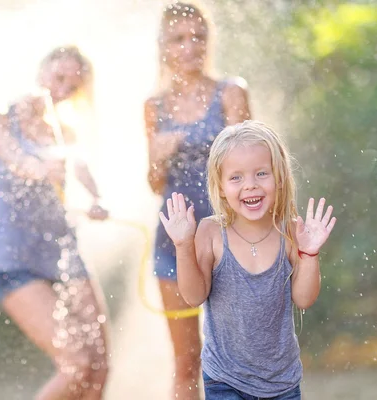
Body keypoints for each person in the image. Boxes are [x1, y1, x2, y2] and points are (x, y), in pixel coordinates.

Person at [159, 120, 337, 399]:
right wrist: (183, 245)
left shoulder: (290, 232)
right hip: (225, 379)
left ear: (279, 177)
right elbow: (194, 296)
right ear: (220, 187)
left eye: (261, 173)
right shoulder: (210, 232)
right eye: (236, 177)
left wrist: (310, 254)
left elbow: (304, 299)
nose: (250, 186)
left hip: (282, 382)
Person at [0, 46, 110, 399]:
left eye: (72, 87)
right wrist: (41, 169)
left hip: (67, 256)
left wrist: (98, 202)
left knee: (99, 366)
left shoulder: (64, 132)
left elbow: (85, 175)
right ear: (42, 72)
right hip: (18, 261)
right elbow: (16, 159)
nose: (62, 90)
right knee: (76, 365)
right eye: (59, 78)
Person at [144, 2, 251, 398]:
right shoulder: (153, 106)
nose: (190, 46)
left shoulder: (231, 92)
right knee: (187, 362)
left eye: (198, 37)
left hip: (230, 241)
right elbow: (156, 183)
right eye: (178, 39)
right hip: (174, 244)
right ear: (163, 46)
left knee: (237, 359)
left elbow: (251, 167)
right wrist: (157, 158)